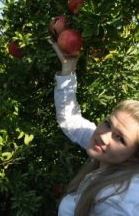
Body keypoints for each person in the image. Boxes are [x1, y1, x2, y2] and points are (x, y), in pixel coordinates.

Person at [49, 39, 139, 216]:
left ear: (134, 157)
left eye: (120, 138)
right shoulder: (106, 154)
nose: (104, 136)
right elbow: (71, 120)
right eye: (108, 123)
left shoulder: (118, 201)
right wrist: (67, 71)